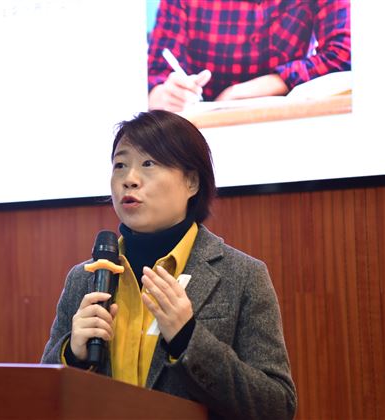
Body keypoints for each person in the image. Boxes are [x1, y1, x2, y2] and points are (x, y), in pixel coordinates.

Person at [41, 110, 296, 419]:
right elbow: (42, 396)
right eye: (120, 165)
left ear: (191, 182)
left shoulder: (241, 275)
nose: (129, 179)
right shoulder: (85, 278)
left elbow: (277, 406)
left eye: (148, 164)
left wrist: (189, 339)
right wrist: (73, 356)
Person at [147, 0, 351, 112]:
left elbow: (345, 54)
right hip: (201, 135)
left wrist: (240, 93)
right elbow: (155, 76)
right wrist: (167, 96)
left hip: (291, 122)